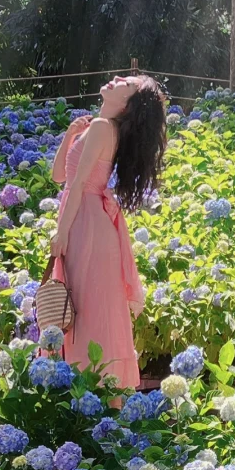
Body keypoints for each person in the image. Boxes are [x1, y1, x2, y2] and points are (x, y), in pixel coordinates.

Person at [47, 74, 167, 388]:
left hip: (84, 223)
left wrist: (61, 232)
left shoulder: (102, 128)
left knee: (85, 310)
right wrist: (71, 134)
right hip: (88, 221)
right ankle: (94, 391)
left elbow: (76, 185)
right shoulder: (99, 128)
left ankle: (87, 388)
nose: (115, 78)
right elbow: (59, 176)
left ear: (128, 105)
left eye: (125, 82)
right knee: (87, 308)